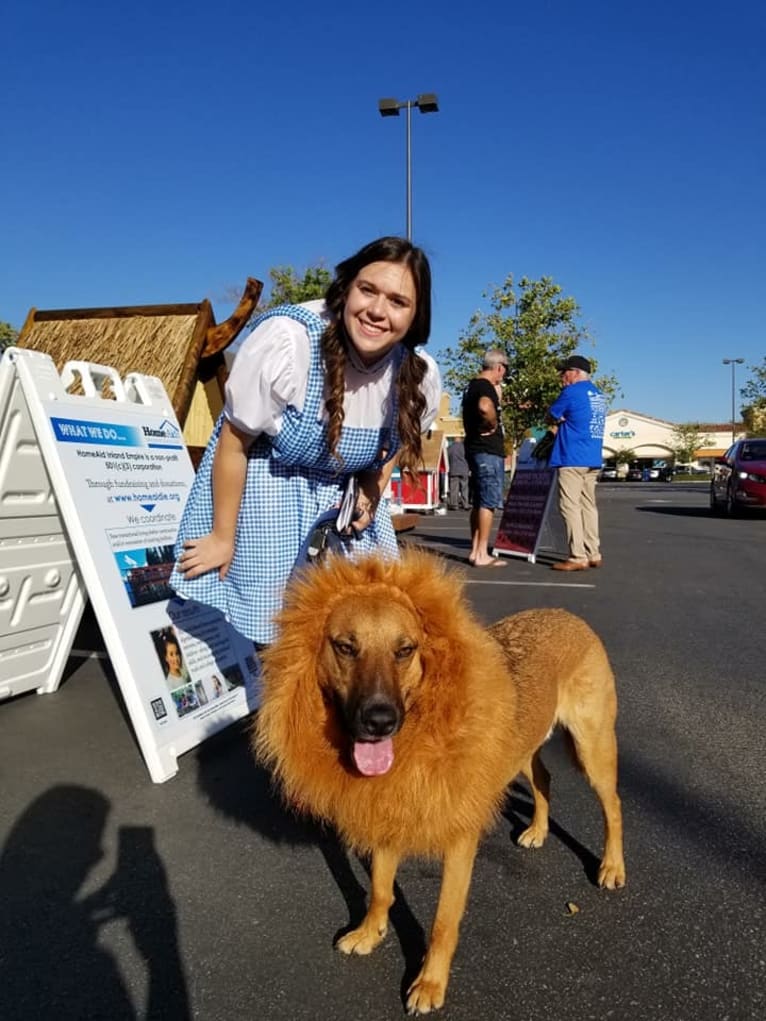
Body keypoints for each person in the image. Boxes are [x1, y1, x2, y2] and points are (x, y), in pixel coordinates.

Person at [170, 236, 442, 644]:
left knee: (358, 632)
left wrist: (372, 484)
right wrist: (223, 537)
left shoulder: (417, 372)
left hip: (340, 510)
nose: (377, 311)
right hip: (268, 495)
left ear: (416, 315)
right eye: (367, 290)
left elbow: (399, 439)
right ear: (347, 288)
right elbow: (233, 441)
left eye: (398, 301)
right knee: (274, 636)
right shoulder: (291, 342)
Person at [546, 354, 607, 571]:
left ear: (576, 372)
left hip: (571, 456)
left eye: (565, 372)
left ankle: (577, 555)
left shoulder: (571, 392)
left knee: (569, 506)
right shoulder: (599, 395)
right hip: (592, 457)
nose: (562, 376)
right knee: (588, 506)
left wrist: (558, 418)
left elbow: (552, 414)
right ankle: (593, 552)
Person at [461, 348, 508, 567]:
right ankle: (481, 554)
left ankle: (474, 550)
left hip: (474, 448)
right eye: (504, 371)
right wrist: (492, 423)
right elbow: (485, 406)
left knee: (479, 501)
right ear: (499, 367)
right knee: (488, 502)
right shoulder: (484, 386)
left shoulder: (471, 385)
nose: (504, 376)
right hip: (487, 450)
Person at [447, 437, 469, 510]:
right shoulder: (465, 447)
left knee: (454, 488)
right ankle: (465, 504)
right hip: (464, 470)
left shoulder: (450, 448)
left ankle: (454, 504)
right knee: (464, 488)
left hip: (454, 469)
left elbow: (447, 458)